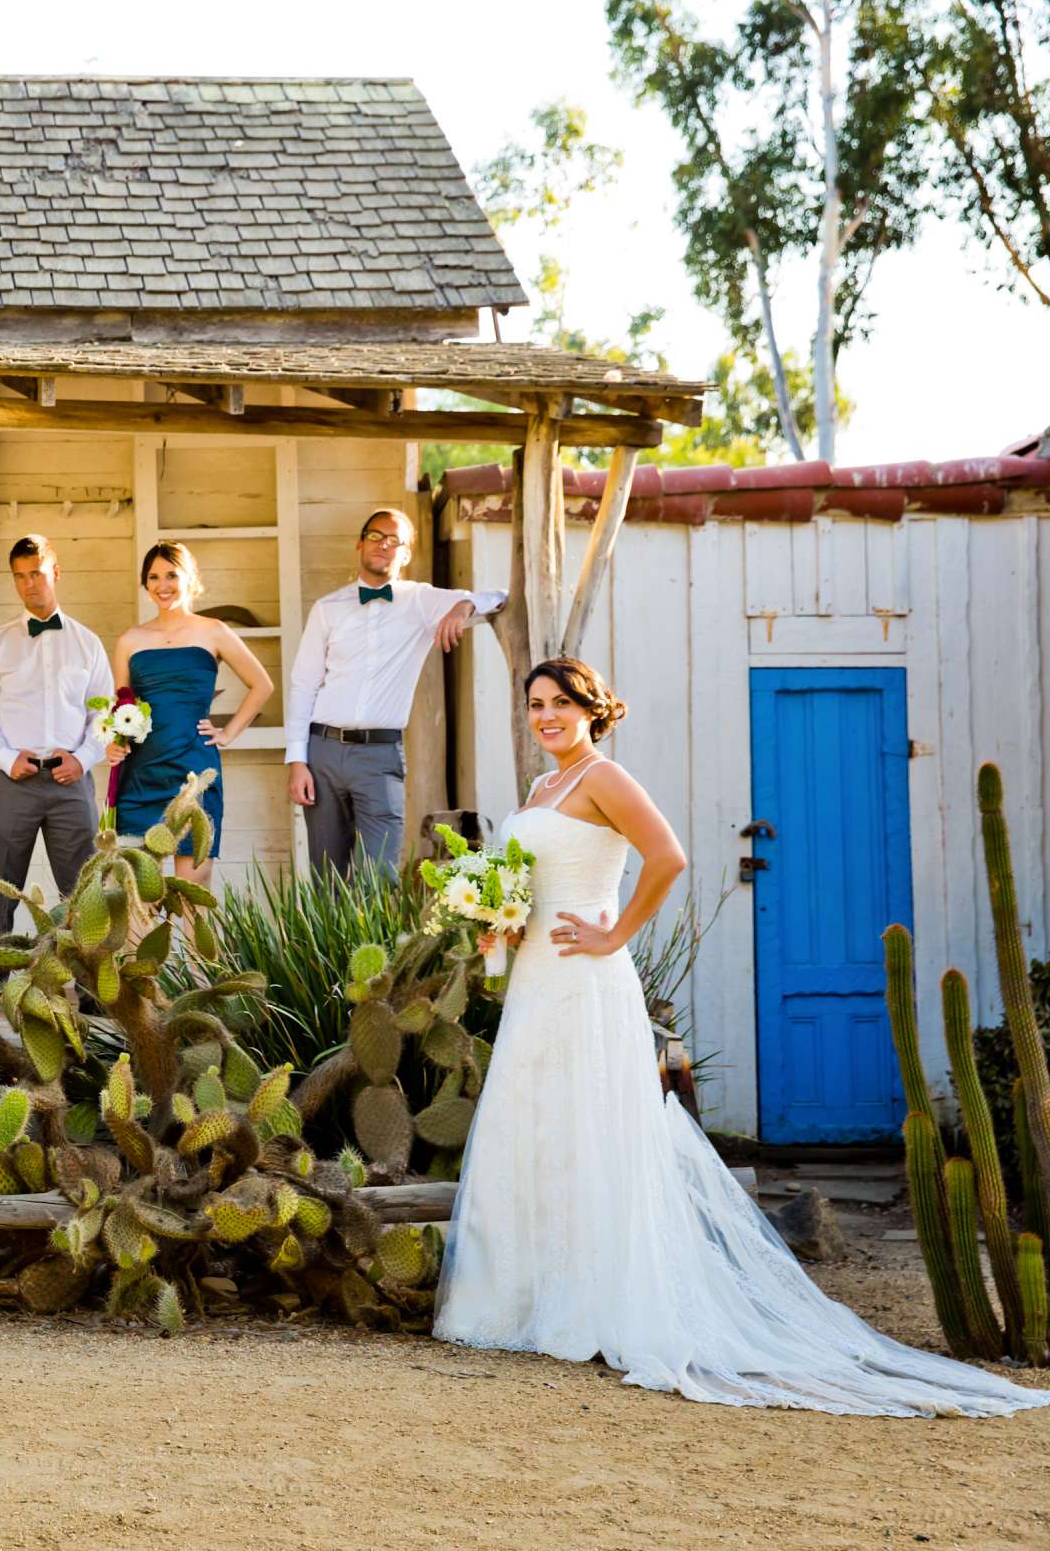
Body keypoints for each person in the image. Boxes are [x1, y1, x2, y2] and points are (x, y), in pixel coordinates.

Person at [435, 657, 1050, 1417]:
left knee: (595, 1129)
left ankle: (596, 1300)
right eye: (535, 705)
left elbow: (668, 857)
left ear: (593, 711)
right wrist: (499, 923)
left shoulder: (604, 777)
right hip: (534, 979)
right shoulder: (538, 790)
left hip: (587, 982)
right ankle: (527, 1296)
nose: (546, 716)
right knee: (538, 1128)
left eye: (561, 703)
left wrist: (615, 931)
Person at [284, 508, 502, 876]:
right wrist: (297, 761)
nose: (383, 545)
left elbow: (498, 596)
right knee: (327, 878)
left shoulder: (419, 600)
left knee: (378, 878)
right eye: (375, 535)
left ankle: (372, 937)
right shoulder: (327, 609)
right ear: (360, 543)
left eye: (394, 541)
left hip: (380, 756)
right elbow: (303, 685)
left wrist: (462, 606)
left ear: (406, 554)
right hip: (322, 752)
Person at [0, 534, 112, 1007]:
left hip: (70, 780)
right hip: (14, 781)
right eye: (21, 576)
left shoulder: (88, 645)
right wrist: (7, 759)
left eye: (37, 574)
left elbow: (104, 715)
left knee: (83, 889)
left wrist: (83, 758)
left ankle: (90, 986)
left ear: (55, 573)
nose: (29, 584)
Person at [103, 541, 274, 883]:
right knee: (137, 897)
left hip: (194, 773)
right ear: (145, 583)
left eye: (171, 575)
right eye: (153, 577)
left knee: (192, 892)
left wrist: (227, 733)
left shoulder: (213, 631)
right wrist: (113, 743)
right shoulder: (130, 640)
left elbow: (262, 685)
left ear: (189, 578)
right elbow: (121, 708)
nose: (162, 585)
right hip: (140, 777)